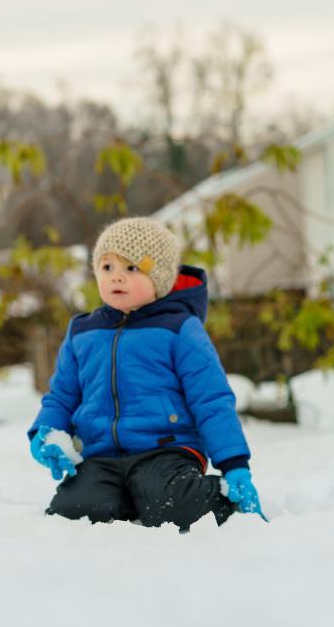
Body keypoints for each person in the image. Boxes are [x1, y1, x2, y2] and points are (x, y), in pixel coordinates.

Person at [27, 217, 265, 531]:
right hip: (101, 455)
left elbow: (211, 399)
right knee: (74, 510)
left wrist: (234, 464)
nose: (117, 278)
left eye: (132, 268)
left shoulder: (179, 328)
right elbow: (63, 395)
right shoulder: (83, 331)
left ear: (160, 277)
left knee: (172, 506)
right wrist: (45, 432)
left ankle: (221, 500)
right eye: (107, 267)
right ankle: (125, 498)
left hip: (166, 451)